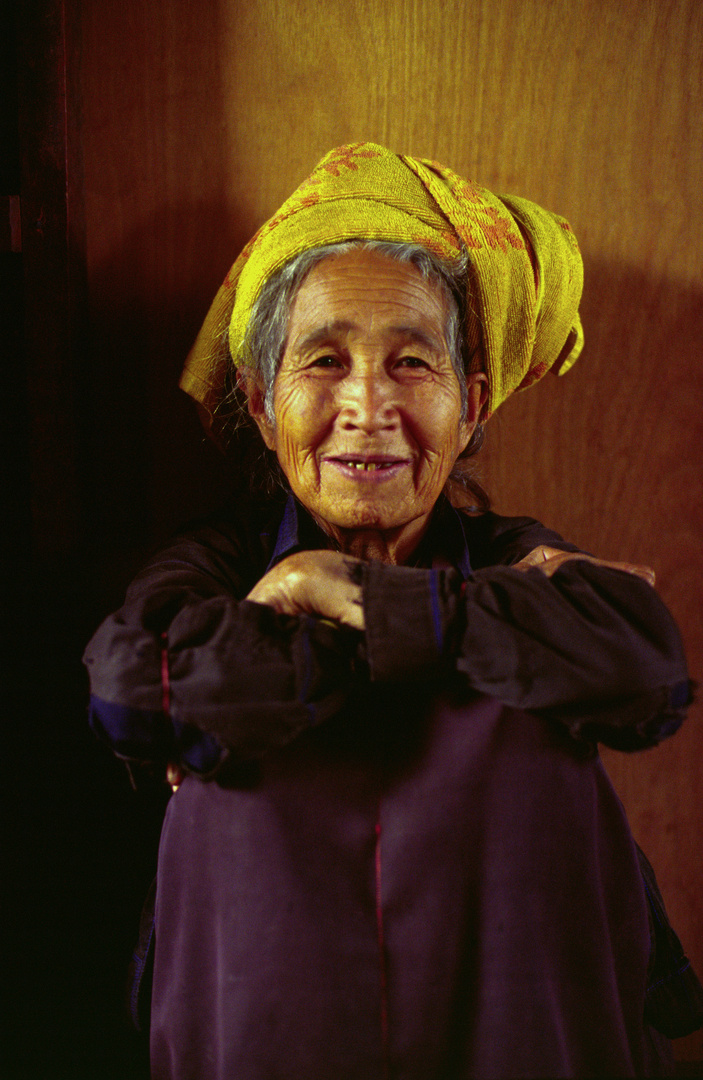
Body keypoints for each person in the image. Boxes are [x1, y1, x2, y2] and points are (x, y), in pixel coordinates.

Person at [84, 143, 700, 1079]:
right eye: (323, 362)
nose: (367, 405)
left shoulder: (507, 547)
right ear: (260, 403)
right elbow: (134, 688)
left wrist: (342, 601)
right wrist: (467, 629)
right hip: (273, 1010)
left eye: (413, 365)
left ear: (469, 406)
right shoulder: (218, 558)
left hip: (517, 1016)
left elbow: (645, 672)